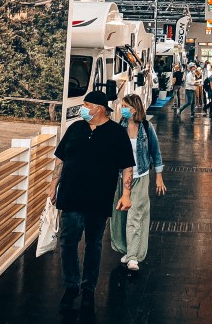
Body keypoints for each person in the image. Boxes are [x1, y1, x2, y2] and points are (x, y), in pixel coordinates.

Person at [50, 91, 135, 312]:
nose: (83, 108)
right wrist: (53, 186)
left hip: (99, 198)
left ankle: (88, 288)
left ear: (99, 108)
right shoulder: (75, 129)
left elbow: (127, 165)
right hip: (70, 195)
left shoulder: (117, 133)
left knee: (93, 245)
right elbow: (60, 159)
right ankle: (71, 286)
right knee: (68, 242)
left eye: (87, 104)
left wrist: (126, 194)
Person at [111, 95, 166, 272]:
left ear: (135, 108)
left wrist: (159, 176)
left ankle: (134, 256)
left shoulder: (146, 127)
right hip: (121, 178)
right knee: (121, 217)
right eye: (122, 105)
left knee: (135, 215)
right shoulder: (119, 128)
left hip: (141, 176)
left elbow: (155, 152)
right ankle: (128, 250)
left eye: (126, 106)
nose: (123, 109)